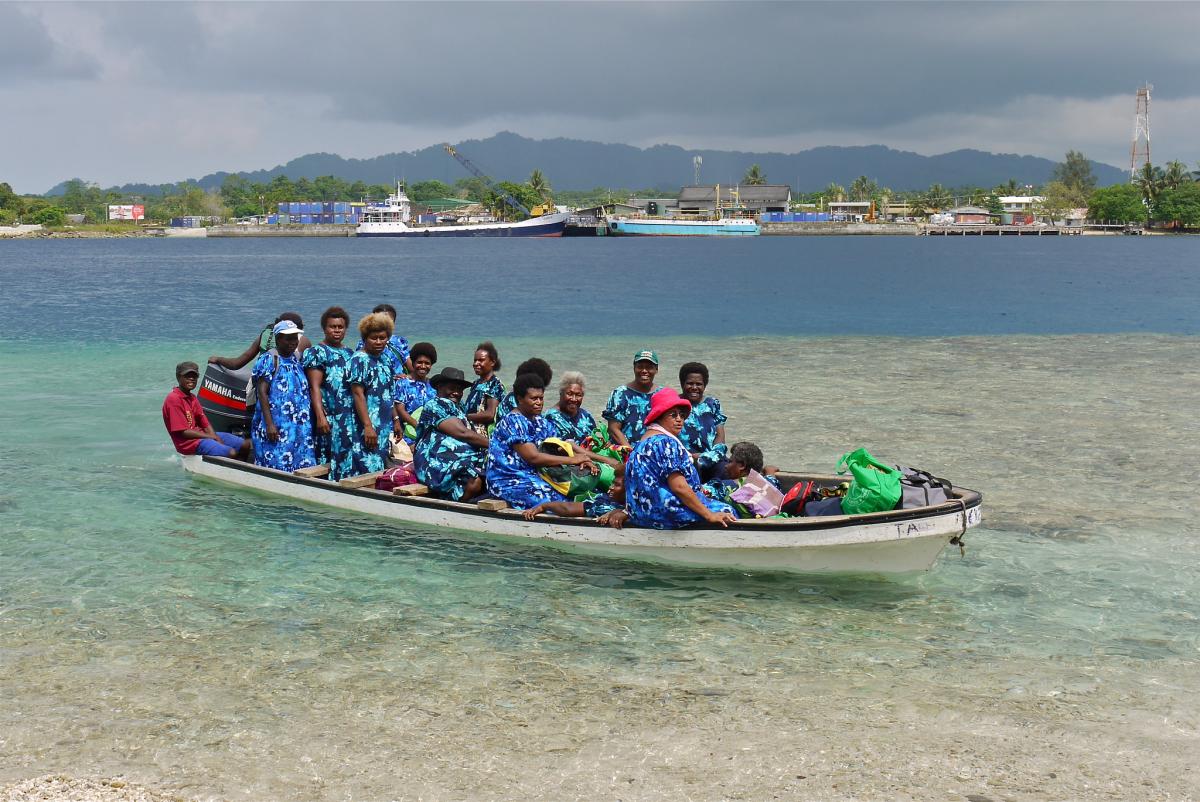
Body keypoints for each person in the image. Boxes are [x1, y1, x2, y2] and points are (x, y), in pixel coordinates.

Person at [625, 387, 736, 529]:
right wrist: (709, 515)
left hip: (641, 514)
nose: (679, 420)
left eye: (681, 415)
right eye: (673, 415)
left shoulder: (640, 444)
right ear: (659, 416)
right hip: (666, 512)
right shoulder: (666, 443)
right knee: (728, 511)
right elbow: (679, 487)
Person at [486, 374, 596, 510]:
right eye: (533, 398)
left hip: (535, 475)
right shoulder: (512, 421)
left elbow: (560, 448)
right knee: (556, 502)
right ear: (519, 399)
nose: (539, 402)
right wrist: (573, 460)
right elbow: (533, 457)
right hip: (508, 479)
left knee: (584, 494)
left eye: (541, 398)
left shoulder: (541, 422)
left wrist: (583, 461)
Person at [413, 367, 490, 501]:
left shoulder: (459, 407)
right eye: (452, 388)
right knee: (474, 481)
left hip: (455, 455)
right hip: (433, 458)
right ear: (439, 387)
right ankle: (456, 502)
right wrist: (494, 445)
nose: (456, 393)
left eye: (460, 389)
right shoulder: (434, 405)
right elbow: (462, 433)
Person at [250, 320, 316, 472]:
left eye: (295, 338)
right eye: (288, 338)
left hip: (297, 427)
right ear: (279, 338)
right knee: (277, 463)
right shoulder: (269, 359)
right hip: (277, 426)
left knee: (301, 465)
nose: (293, 342)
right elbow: (262, 392)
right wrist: (269, 424)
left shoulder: (296, 359)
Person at [302, 306, 356, 480]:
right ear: (325, 329)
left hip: (347, 419)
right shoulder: (317, 352)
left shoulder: (349, 353)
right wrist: (320, 417)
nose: (337, 330)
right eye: (332, 327)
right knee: (326, 459)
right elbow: (314, 387)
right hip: (328, 417)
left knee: (345, 460)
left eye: (340, 327)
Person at [162, 361, 249, 459]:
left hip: (202, 436)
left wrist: (214, 436)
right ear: (178, 377)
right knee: (231, 452)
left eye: (194, 376)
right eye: (187, 376)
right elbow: (184, 432)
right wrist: (210, 437)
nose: (192, 378)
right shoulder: (173, 399)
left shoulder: (192, 397)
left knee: (245, 444)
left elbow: (204, 422)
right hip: (188, 444)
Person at [347, 312, 399, 475]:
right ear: (365, 338)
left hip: (383, 424)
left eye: (382, 338)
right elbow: (357, 394)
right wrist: (368, 426)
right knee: (365, 463)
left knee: (379, 462)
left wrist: (396, 419)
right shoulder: (359, 360)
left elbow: (388, 394)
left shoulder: (386, 359)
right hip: (364, 423)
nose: (378, 342)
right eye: (373, 338)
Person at [521, 472, 629, 529]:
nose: (611, 487)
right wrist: (543, 506)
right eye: (612, 483)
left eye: (617, 485)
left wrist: (619, 512)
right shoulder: (604, 504)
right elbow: (567, 509)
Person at [702, 442, 782, 517]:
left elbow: (698, 492)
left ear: (742, 465)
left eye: (730, 462)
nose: (726, 466)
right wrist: (769, 470)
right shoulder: (768, 484)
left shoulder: (723, 487)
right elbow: (771, 472)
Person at [678, 361, 728, 481]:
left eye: (699, 384)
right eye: (689, 383)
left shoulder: (713, 404)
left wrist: (708, 456)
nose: (694, 388)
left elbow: (720, 435)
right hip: (684, 458)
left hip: (710, 457)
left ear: (704, 385)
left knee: (725, 472)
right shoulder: (674, 404)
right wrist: (691, 456)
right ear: (682, 384)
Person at [209, 311, 312, 370]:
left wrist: (218, 359)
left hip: (257, 389)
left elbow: (237, 363)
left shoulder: (265, 335)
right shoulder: (303, 341)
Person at [603, 349, 660, 447]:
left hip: (653, 451)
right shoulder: (620, 394)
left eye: (649, 367)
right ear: (634, 368)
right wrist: (631, 452)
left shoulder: (662, 394)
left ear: (656, 369)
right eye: (640, 367)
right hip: (624, 451)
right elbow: (613, 429)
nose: (644, 371)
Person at [394, 341, 438, 442]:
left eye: (427, 363)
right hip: (407, 433)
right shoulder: (403, 383)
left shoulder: (433, 385)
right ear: (413, 363)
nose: (423, 366)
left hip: (428, 434)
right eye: (419, 362)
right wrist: (417, 426)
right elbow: (400, 410)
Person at [356, 303, 412, 379]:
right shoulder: (364, 342)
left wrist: (406, 377)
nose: (383, 323)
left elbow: (411, 369)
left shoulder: (399, 341)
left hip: (398, 386)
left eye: (388, 321)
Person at [544, 371, 597, 442]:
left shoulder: (586, 416)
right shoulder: (551, 418)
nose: (574, 399)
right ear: (561, 393)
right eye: (569, 394)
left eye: (578, 395)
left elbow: (593, 441)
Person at [464, 341, 505, 431]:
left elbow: (490, 415)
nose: (476, 363)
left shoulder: (495, 384)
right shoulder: (476, 383)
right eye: (475, 360)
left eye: (481, 360)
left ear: (492, 362)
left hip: (482, 434)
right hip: (469, 428)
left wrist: (464, 417)